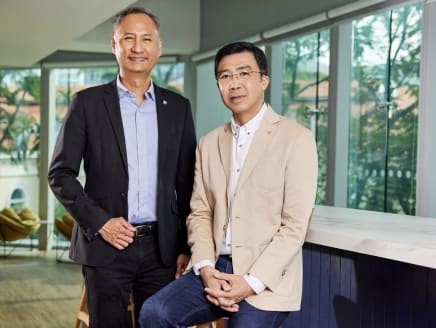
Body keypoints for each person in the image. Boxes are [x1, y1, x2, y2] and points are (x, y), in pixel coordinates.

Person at [138, 41, 318, 328]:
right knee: (154, 313)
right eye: (225, 76)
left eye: (244, 74)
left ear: (263, 81)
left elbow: (295, 225)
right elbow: (200, 212)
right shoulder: (208, 144)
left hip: (266, 277)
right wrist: (206, 268)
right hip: (215, 267)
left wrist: (250, 282)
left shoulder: (296, 139)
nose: (234, 83)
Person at [48, 6, 196, 328]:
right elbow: (60, 174)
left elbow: (186, 185)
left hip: (162, 249)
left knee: (158, 323)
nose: (137, 47)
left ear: (158, 47)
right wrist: (101, 223)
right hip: (106, 245)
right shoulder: (87, 104)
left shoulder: (178, 109)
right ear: (114, 44)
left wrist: (186, 245)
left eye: (146, 39)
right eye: (128, 38)